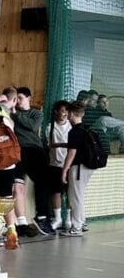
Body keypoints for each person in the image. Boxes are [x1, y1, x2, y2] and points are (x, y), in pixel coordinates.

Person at [11, 87, 53, 235]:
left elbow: (33, 126)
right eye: (15, 99)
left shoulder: (36, 113)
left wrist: (16, 114)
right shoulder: (10, 113)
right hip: (17, 152)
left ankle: (42, 216)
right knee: (17, 186)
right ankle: (18, 223)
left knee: (43, 182)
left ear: (29, 98)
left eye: (20, 98)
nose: (18, 101)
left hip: (34, 150)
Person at [61, 100, 96, 236]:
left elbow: (72, 153)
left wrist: (65, 170)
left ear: (71, 114)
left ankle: (76, 227)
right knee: (79, 195)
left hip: (79, 168)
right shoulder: (87, 129)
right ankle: (81, 222)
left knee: (75, 197)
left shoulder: (74, 131)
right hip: (88, 167)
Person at [46, 100, 71, 232]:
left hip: (69, 164)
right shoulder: (50, 127)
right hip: (54, 164)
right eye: (62, 111)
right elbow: (49, 145)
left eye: (67, 111)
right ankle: (58, 218)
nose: (64, 114)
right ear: (56, 112)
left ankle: (69, 219)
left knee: (69, 192)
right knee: (56, 192)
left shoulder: (71, 126)